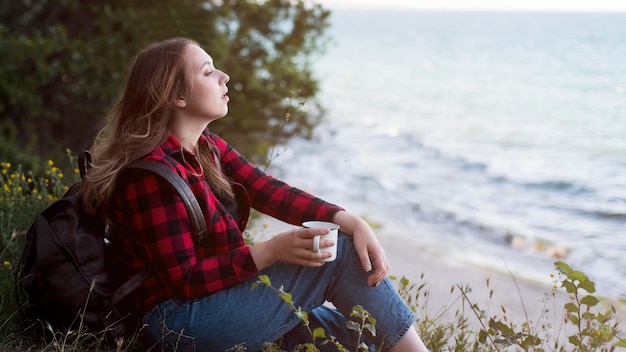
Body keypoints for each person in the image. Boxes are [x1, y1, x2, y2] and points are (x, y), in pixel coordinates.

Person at [81, 37, 430, 352]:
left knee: (356, 334)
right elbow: (183, 281)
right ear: (177, 95)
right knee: (336, 254)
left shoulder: (207, 148)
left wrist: (348, 219)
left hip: (220, 302)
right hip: (178, 324)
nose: (224, 77)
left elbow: (267, 190)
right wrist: (269, 252)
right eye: (208, 72)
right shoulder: (151, 176)